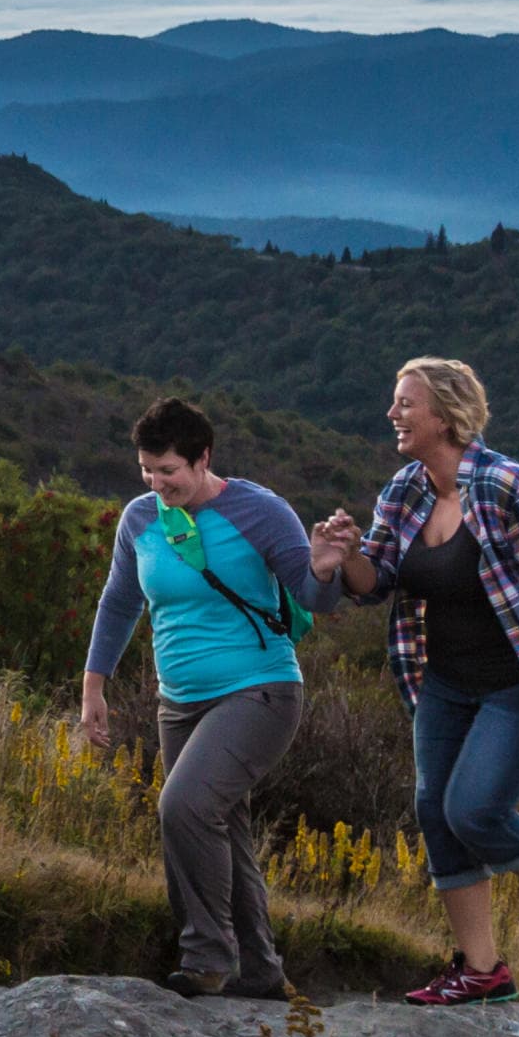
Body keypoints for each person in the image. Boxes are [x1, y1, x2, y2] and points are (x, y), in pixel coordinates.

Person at [307, 356, 519, 1006]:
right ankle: (481, 970)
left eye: (406, 404)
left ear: (446, 415)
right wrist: (344, 558)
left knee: (474, 810)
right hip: (444, 683)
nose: (392, 414)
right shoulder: (406, 490)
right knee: (436, 812)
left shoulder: (510, 487)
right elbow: (376, 584)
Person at [81, 395, 333, 1001]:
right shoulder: (139, 520)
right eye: (147, 470)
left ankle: (206, 957)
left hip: (260, 691)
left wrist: (326, 570)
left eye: (168, 470)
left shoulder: (260, 511)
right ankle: (261, 970)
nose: (156, 483)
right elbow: (119, 602)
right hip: (179, 703)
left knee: (184, 807)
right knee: (223, 830)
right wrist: (94, 687)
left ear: (203, 459)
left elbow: (313, 599)